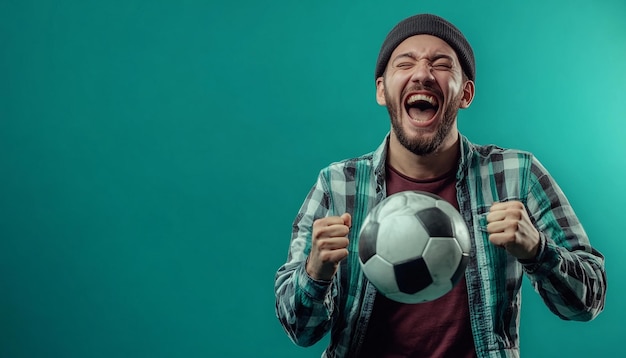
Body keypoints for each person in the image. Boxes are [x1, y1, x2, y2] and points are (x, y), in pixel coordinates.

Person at [274, 13, 607, 358]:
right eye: (405, 63)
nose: (422, 74)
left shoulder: (517, 175)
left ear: (465, 93)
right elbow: (299, 330)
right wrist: (316, 271)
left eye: (441, 64)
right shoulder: (337, 184)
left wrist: (537, 250)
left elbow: (588, 302)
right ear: (381, 90)